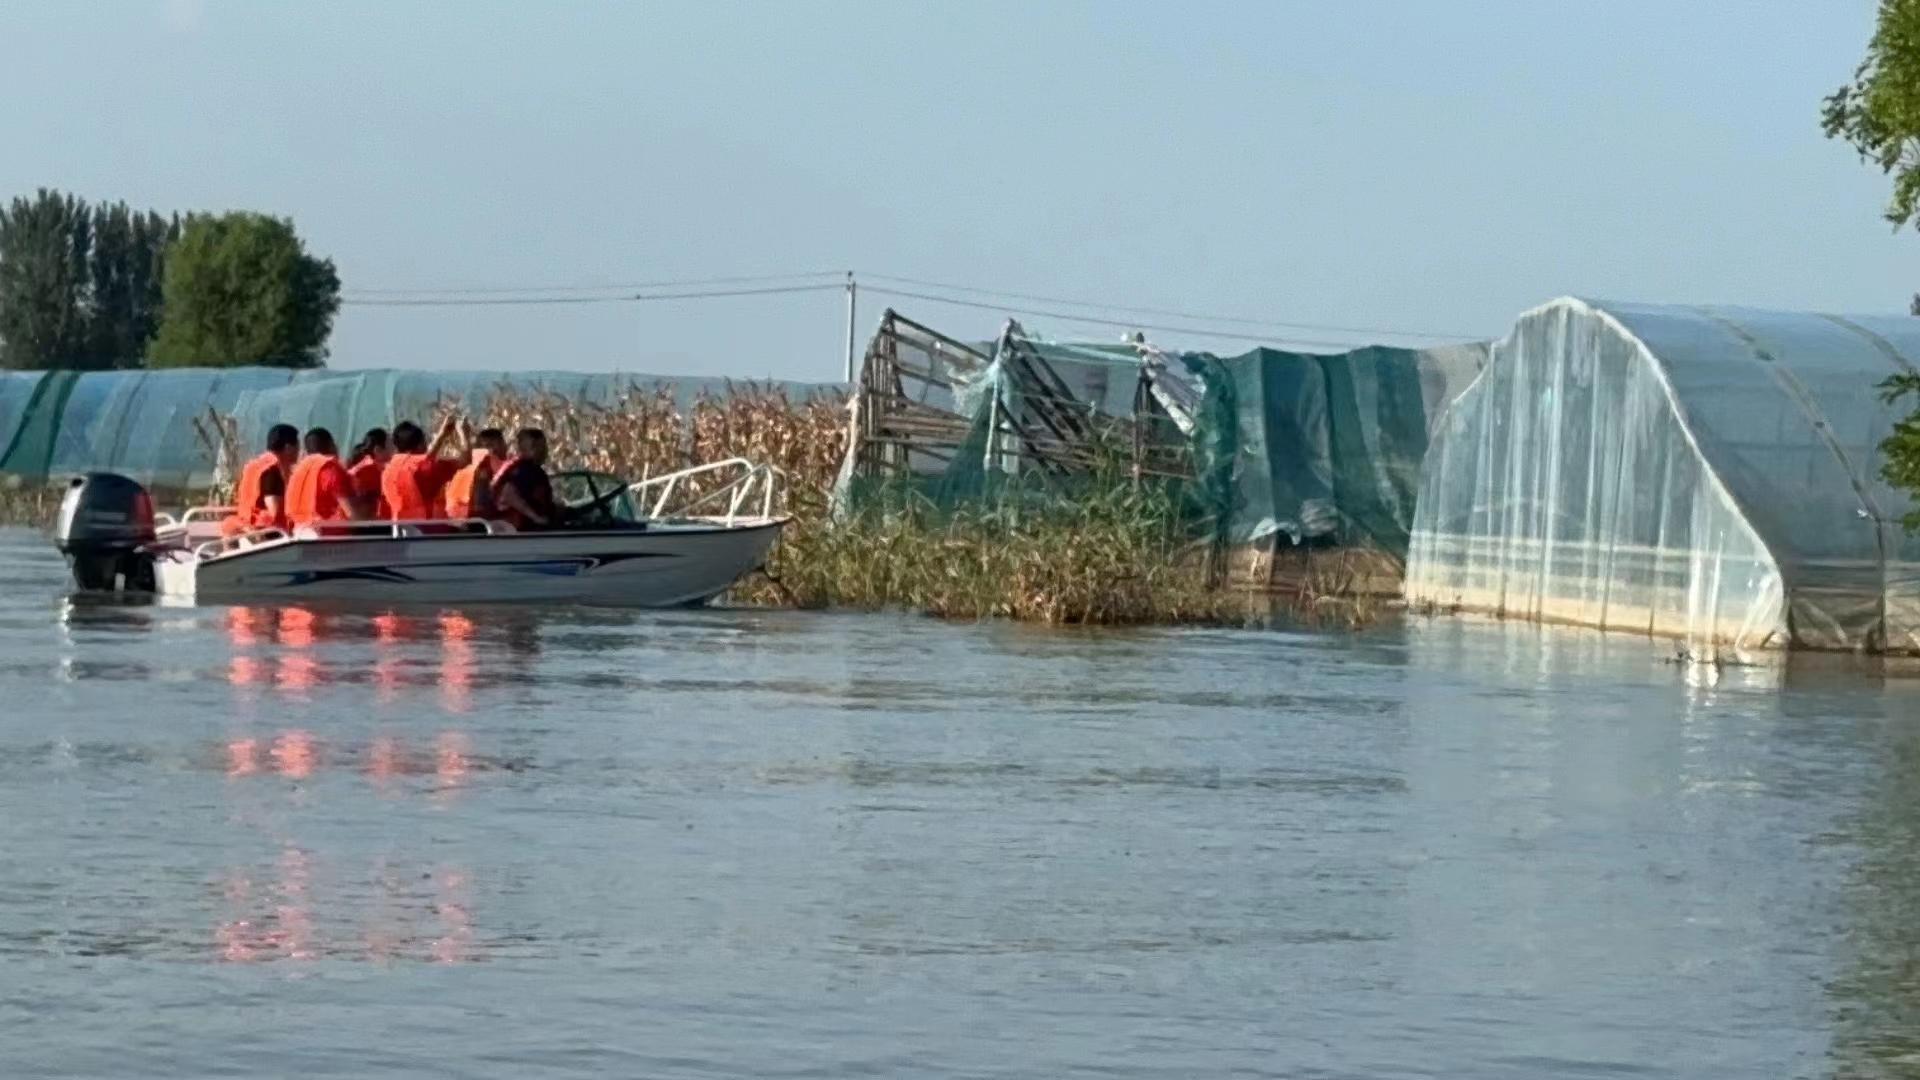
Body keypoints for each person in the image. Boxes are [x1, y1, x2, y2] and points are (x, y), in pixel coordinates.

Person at [221, 423, 300, 536]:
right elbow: (275, 510)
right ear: (288, 448)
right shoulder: (272, 471)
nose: (299, 451)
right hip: (267, 533)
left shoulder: (255, 465)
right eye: (297, 446)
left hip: (247, 523)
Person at [381, 416, 464, 520]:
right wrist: (463, 434)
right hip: (428, 529)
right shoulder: (428, 467)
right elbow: (464, 460)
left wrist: (442, 435)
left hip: (398, 529)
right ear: (420, 445)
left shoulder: (388, 469)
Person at [284, 427, 362, 528]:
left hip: (299, 532)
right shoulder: (330, 468)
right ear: (332, 445)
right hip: (327, 535)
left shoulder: (298, 471)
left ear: (307, 451)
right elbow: (351, 513)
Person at [491, 427, 556, 530]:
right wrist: (536, 517)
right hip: (525, 531)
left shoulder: (534, 470)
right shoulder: (523, 470)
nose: (544, 450)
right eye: (540, 446)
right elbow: (508, 494)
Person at [444, 427, 508, 519]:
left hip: (458, 521)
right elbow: (480, 506)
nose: (505, 447)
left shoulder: (466, 468)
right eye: (501, 444)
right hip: (478, 522)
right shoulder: (483, 472)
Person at [346, 427, 392, 518]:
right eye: (391, 445)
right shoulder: (368, 470)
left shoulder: (366, 465)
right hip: (365, 522)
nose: (394, 448)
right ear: (378, 450)